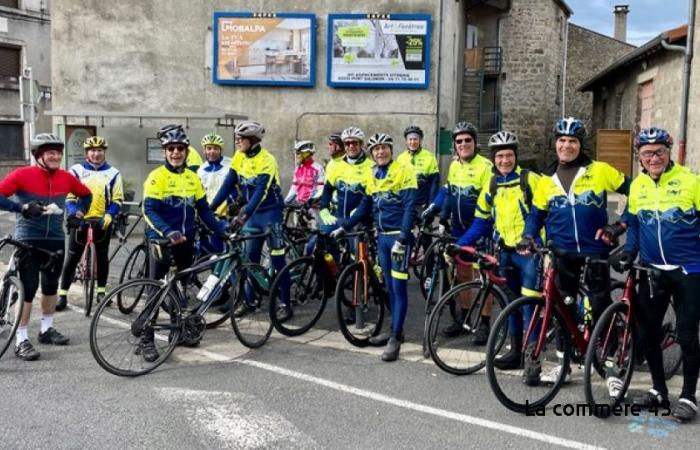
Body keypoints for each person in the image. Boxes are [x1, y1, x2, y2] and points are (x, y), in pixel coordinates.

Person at [519, 117, 630, 384]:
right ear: (555, 144)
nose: (566, 146)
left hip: (595, 252)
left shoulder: (600, 170)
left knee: (601, 304)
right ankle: (564, 363)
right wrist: (527, 236)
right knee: (561, 308)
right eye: (562, 141)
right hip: (562, 253)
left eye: (572, 141)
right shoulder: (546, 180)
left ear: (580, 145)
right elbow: (537, 215)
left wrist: (619, 226)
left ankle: (613, 362)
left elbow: (637, 193)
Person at [611, 127, 700, 422]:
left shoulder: (690, 181)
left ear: (668, 153)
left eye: (659, 152)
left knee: (687, 335)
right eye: (647, 153)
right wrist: (629, 252)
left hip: (688, 269)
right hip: (651, 270)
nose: (653, 158)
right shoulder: (637, 186)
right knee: (647, 332)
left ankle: (688, 395)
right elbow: (635, 224)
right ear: (640, 157)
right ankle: (659, 389)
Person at [447, 130, 541, 371]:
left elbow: (545, 214)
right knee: (511, 302)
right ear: (494, 158)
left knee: (529, 303)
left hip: (529, 254)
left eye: (509, 156)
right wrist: (462, 244)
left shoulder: (529, 180)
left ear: (516, 156)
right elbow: (480, 220)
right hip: (506, 252)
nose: (504, 161)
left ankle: (532, 355)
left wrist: (540, 245)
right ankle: (515, 350)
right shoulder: (492, 183)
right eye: (499, 157)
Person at [0, 133, 92, 361]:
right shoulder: (23, 174)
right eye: (50, 152)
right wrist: (20, 208)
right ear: (38, 155)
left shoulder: (65, 177)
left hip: (55, 240)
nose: (56, 156)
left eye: (58, 153)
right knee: (28, 289)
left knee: (51, 287)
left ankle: (46, 329)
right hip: (28, 239)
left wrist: (76, 213)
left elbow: (86, 195)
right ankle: (21, 339)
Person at [141, 126, 228, 359]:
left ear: (187, 152)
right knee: (155, 290)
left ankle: (177, 333)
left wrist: (222, 231)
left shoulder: (192, 177)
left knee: (180, 288)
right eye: (171, 149)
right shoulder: (157, 177)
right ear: (165, 152)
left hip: (186, 242)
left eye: (180, 149)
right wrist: (167, 231)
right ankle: (146, 340)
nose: (176, 152)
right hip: (161, 240)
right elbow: (148, 209)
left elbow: (204, 211)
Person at [332, 133, 417, 361]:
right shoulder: (373, 174)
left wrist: (403, 238)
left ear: (391, 149)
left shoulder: (403, 170)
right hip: (382, 239)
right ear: (372, 153)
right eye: (376, 149)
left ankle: (396, 338)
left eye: (384, 148)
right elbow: (364, 206)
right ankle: (394, 331)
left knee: (398, 289)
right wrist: (345, 226)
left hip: (398, 238)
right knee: (388, 286)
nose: (380, 152)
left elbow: (410, 208)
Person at [209, 120, 291, 320]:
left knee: (278, 258)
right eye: (236, 138)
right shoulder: (239, 157)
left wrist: (243, 215)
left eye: (240, 139)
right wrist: (208, 209)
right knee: (249, 259)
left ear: (252, 140)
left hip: (270, 212)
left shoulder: (267, 160)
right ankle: (249, 300)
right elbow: (228, 185)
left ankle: (285, 303)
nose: (237, 142)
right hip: (253, 214)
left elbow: (260, 193)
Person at [439, 122, 493, 343]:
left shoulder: (486, 166)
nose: (463, 144)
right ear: (455, 144)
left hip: (481, 230)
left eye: (467, 140)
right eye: (459, 141)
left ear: (474, 142)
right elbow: (450, 193)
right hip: (460, 228)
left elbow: (486, 205)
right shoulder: (454, 166)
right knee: (462, 276)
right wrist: (442, 216)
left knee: (484, 278)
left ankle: (485, 323)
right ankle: (463, 318)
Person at [57, 136, 124, 311]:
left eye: (99, 150)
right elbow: (69, 197)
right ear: (87, 153)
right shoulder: (76, 170)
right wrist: (73, 214)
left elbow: (117, 199)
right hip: (80, 220)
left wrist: (110, 215)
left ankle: (101, 291)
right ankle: (63, 294)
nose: (96, 154)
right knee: (72, 256)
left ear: (104, 152)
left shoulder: (113, 173)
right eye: (92, 150)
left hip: (102, 220)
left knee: (102, 257)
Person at [317, 127, 374, 249]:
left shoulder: (371, 167)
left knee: (356, 257)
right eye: (348, 143)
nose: (351, 146)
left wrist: (361, 213)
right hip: (339, 218)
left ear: (361, 144)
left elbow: (371, 198)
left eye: (355, 142)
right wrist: (324, 209)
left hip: (360, 220)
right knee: (317, 246)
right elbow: (328, 189)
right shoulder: (335, 165)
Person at [197, 133, 232, 253]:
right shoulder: (201, 170)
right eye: (209, 148)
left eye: (216, 148)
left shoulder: (230, 165)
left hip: (227, 216)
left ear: (221, 150)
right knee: (215, 252)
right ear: (204, 150)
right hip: (210, 216)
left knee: (229, 252)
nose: (212, 152)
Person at [396, 125, 439, 213]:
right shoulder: (400, 158)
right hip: (405, 203)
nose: (412, 142)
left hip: (423, 203)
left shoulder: (430, 157)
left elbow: (434, 184)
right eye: (410, 139)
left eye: (415, 139)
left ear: (420, 140)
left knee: (425, 225)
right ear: (406, 141)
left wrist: (431, 205)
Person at [284, 140, 325, 207]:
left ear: (306, 154)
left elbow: (321, 188)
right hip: (298, 205)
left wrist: (312, 201)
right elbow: (294, 187)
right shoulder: (298, 168)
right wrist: (286, 201)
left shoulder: (318, 168)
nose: (296, 156)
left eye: (298, 153)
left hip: (312, 206)